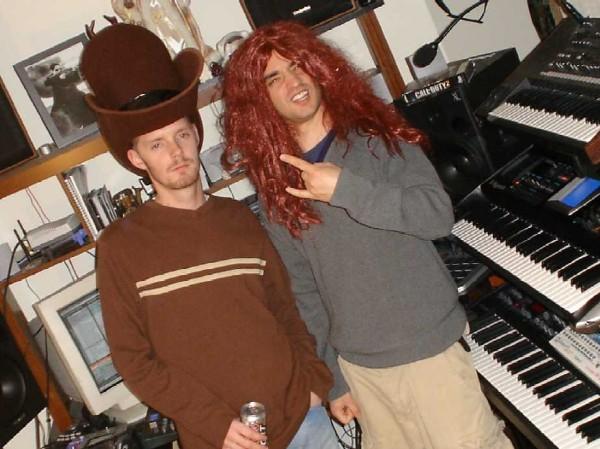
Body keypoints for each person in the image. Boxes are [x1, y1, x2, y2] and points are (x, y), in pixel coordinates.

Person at [221, 21, 514, 449]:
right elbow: (304, 295)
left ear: (318, 67)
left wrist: (345, 189)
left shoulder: (378, 137)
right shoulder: (278, 193)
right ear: (260, 100)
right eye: (274, 78)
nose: (293, 81)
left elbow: (437, 216)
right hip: (361, 373)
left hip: (430, 352)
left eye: (298, 65)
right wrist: (334, 380)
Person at [80, 23, 340, 449]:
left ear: (197, 136)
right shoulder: (120, 247)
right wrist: (214, 423)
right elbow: (134, 362)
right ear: (136, 159)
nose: (176, 152)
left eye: (182, 135)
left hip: (304, 421)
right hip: (220, 440)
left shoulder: (241, 218)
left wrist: (314, 381)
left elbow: (287, 309)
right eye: (156, 145)